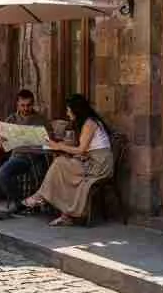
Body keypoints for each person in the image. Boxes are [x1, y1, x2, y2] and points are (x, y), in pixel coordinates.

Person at [23, 94, 114, 226]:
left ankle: (42, 197)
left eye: (68, 110)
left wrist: (59, 146)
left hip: (99, 165)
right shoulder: (88, 122)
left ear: (76, 110)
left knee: (60, 164)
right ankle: (59, 209)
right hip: (92, 160)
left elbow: (81, 150)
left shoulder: (90, 123)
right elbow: (84, 149)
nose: (67, 113)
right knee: (61, 165)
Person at [0, 89, 51, 211]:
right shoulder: (12, 119)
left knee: (43, 172)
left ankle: (35, 203)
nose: (26, 108)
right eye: (23, 105)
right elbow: (3, 144)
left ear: (33, 104)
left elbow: (50, 141)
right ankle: (19, 202)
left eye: (29, 105)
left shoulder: (41, 120)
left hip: (37, 157)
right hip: (18, 157)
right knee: (1, 174)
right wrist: (0, 139)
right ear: (18, 104)